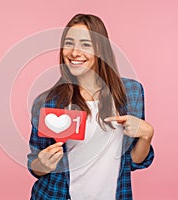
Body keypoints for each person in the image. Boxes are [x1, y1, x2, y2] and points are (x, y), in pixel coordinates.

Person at [27, 13, 154, 200]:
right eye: (69, 43)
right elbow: (35, 165)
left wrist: (147, 134)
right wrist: (43, 164)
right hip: (57, 195)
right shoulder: (47, 101)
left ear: (100, 50)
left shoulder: (131, 92)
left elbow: (133, 161)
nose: (75, 52)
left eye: (85, 44)